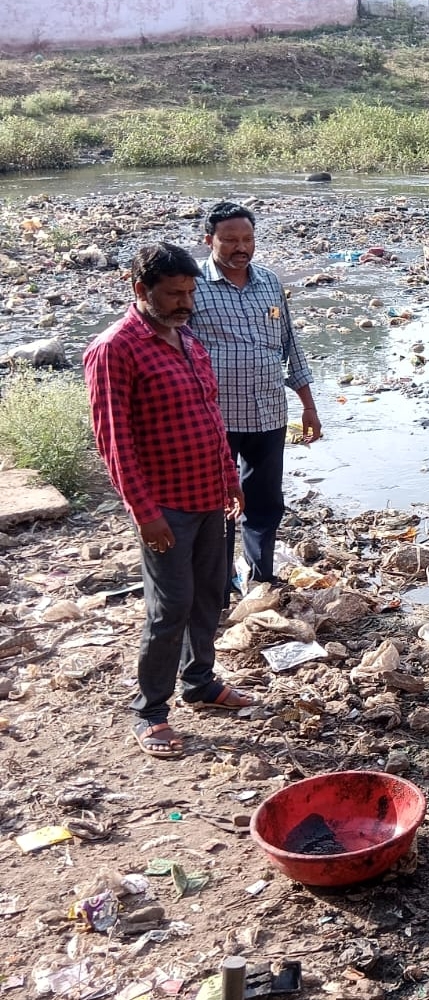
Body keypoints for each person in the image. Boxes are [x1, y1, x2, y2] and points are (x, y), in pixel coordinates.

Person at [85, 243, 256, 759]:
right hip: (166, 506)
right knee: (170, 606)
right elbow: (115, 443)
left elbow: (210, 417)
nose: (185, 303)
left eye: (189, 293)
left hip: (209, 496)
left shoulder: (187, 339)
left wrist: (230, 478)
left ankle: (200, 682)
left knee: (209, 595)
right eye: (174, 294)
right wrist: (145, 514)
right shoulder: (115, 349)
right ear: (141, 290)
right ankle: (150, 712)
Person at [189, 201, 321, 588]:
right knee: (216, 503)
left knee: (265, 502)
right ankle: (217, 582)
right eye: (230, 240)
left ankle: (261, 577)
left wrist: (309, 407)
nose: (241, 247)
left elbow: (290, 345)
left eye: (247, 239)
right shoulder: (192, 285)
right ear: (209, 240)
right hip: (216, 418)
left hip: (268, 413)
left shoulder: (269, 282)